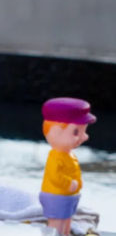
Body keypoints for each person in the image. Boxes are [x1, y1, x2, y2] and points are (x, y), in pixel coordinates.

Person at [39, 97, 96, 236]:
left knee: (67, 220)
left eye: (84, 132)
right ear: (56, 132)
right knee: (56, 222)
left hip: (68, 196)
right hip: (56, 196)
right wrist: (69, 183)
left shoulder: (69, 155)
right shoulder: (55, 157)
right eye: (76, 132)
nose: (84, 137)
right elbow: (54, 176)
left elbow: (74, 172)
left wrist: (77, 185)